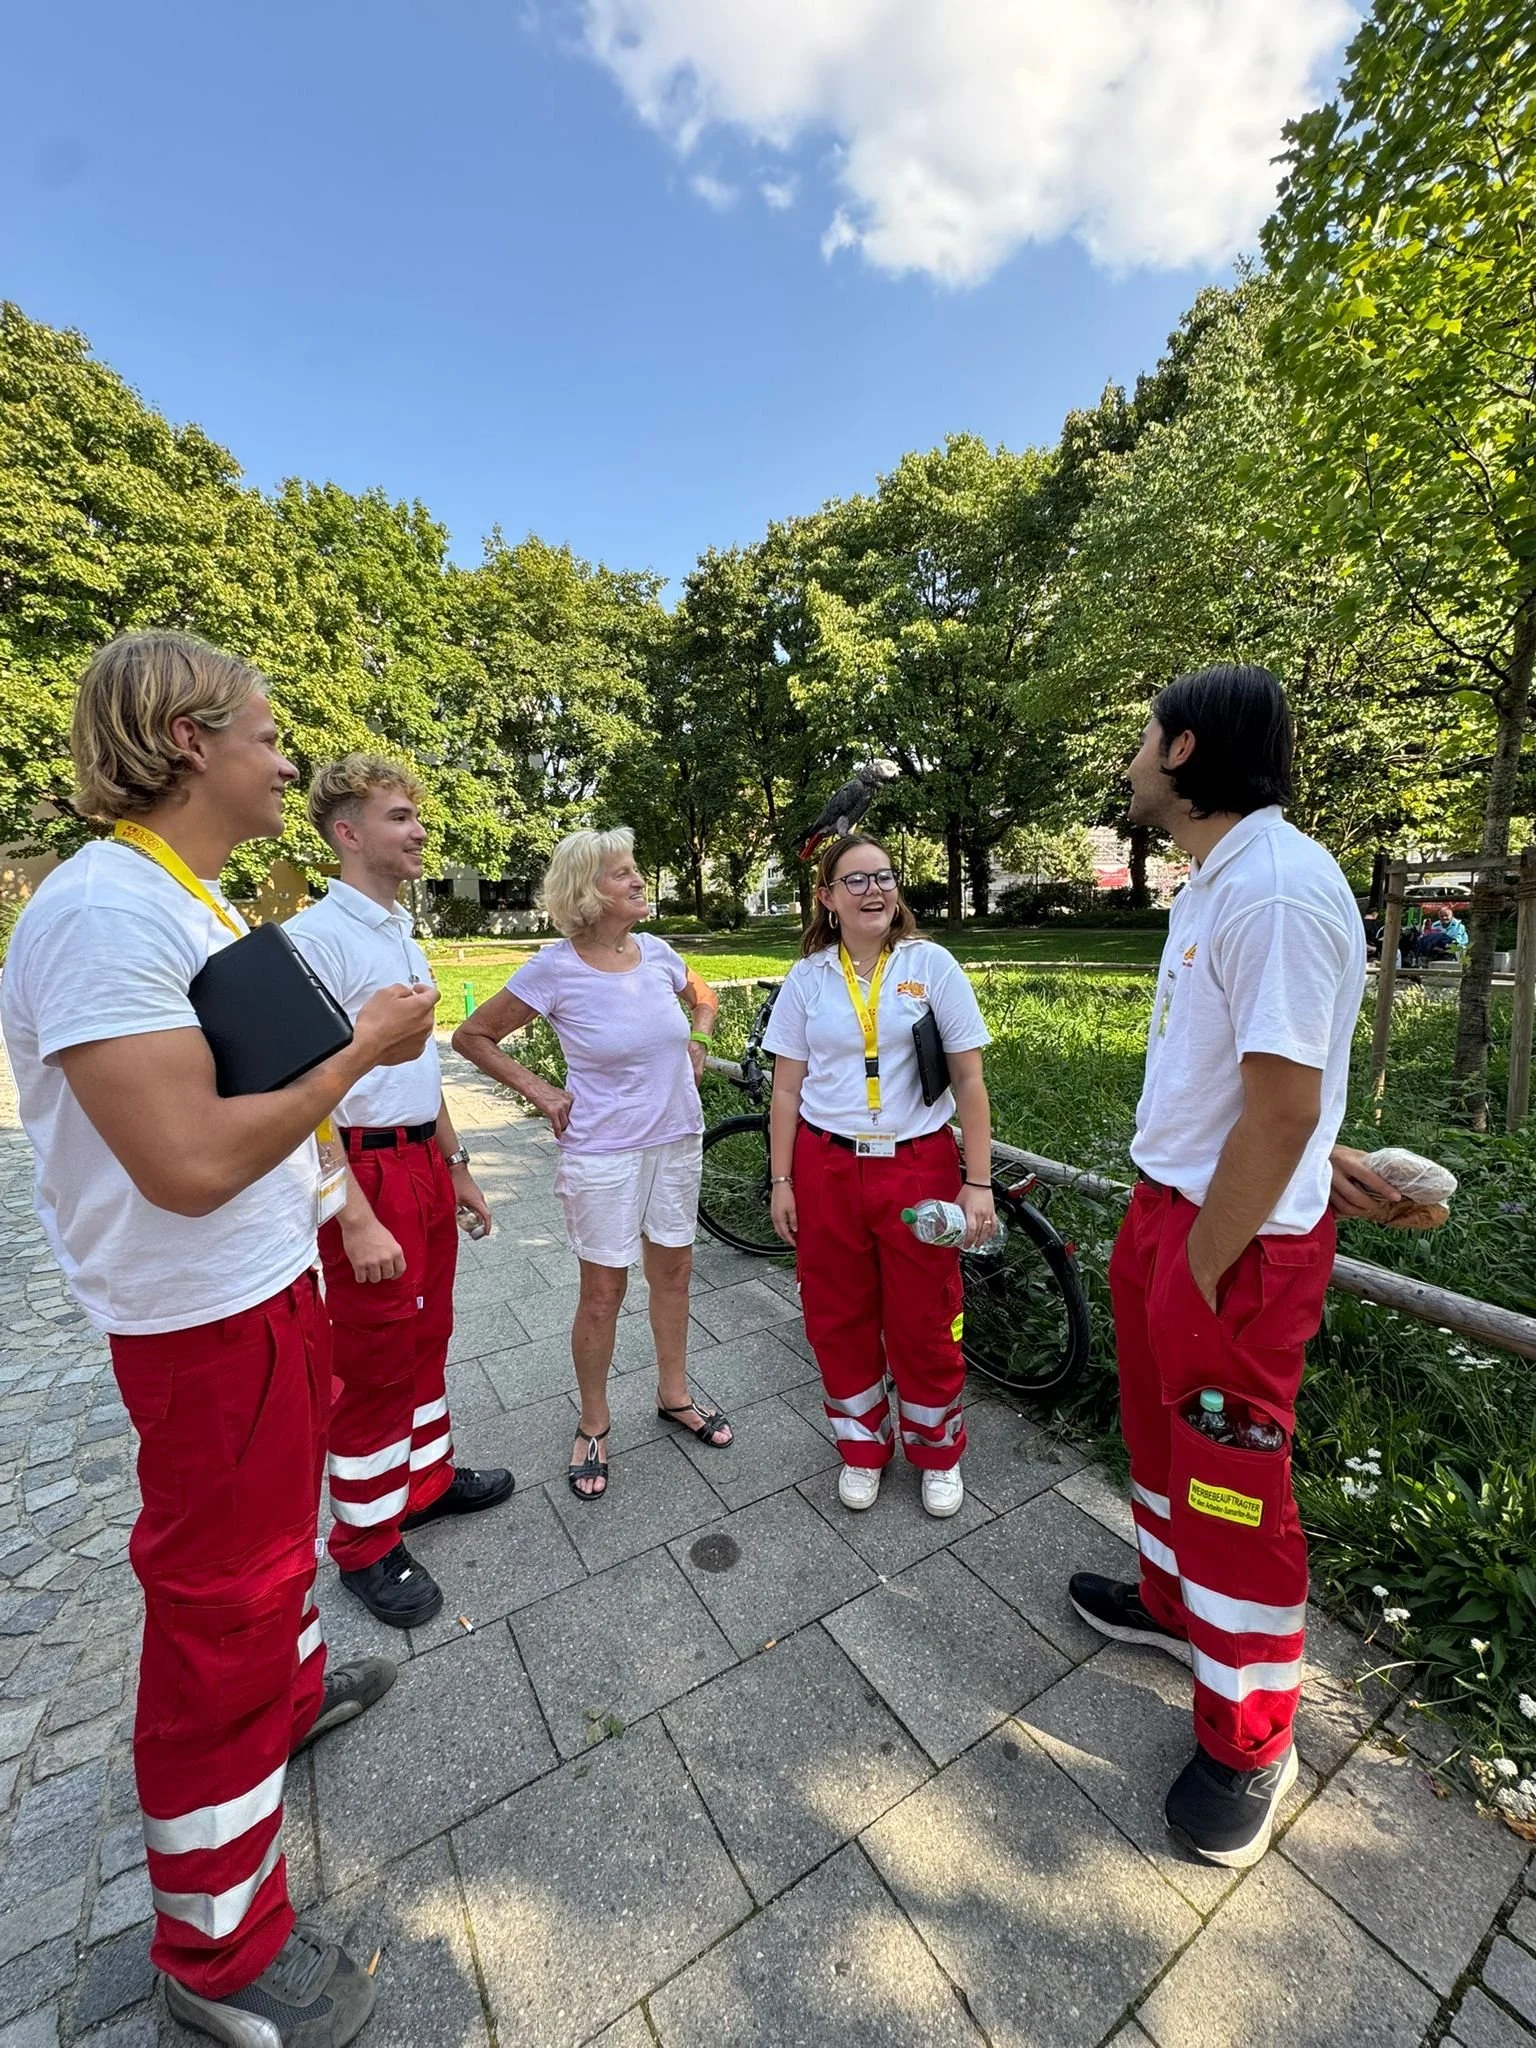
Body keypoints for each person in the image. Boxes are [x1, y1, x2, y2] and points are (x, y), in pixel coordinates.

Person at [0, 633, 439, 2045]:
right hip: (200, 1324)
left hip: (264, 1291)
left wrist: (333, 1191)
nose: (288, 758)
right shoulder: (103, 914)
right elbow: (186, 1165)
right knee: (220, 1605)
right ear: (188, 741)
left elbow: (255, 1121)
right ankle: (218, 1948)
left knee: (263, 1587)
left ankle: (284, 1707)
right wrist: (362, 1053)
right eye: (266, 731)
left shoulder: (182, 898)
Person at [1067, 663, 1366, 1871]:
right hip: (1178, 1219)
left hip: (1228, 1250)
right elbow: (1259, 1084)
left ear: (1185, 749)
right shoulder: (1217, 882)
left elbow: (1281, 1114)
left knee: (1237, 1487)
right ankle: (1174, 1603)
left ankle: (1252, 1735)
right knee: (1159, 1439)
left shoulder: (1279, 892)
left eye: (1144, 738)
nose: (1132, 759)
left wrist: (1197, 1262)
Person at [285, 756, 513, 1629]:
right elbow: (304, 1094)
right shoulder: (316, 942)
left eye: (416, 815)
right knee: (373, 1357)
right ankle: (366, 1545)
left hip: (418, 1158)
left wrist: (457, 1164)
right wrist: (352, 1211)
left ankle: (424, 1481)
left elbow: (418, 1073)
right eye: (397, 816)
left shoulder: (397, 932)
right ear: (347, 833)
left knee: (428, 1331)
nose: (418, 830)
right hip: (363, 1169)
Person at [451, 827, 727, 1499]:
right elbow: (472, 1035)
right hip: (604, 1152)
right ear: (583, 892)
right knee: (604, 1293)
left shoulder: (658, 952)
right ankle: (595, 1422)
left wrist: (698, 1037)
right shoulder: (554, 967)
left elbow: (706, 995)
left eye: (636, 869)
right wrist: (540, 1090)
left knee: (676, 1273)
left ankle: (673, 1393)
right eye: (620, 873)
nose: (638, 881)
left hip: (675, 1140)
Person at [763, 834, 996, 1518]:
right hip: (827, 1166)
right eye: (855, 881)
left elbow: (970, 1078)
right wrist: (781, 1181)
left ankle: (937, 1451)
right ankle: (862, 1447)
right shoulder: (808, 978)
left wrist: (976, 1182)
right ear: (827, 899)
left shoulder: (932, 965)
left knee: (926, 1317)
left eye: (884, 878)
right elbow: (784, 1093)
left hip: (917, 1166)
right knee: (837, 1315)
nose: (873, 891)